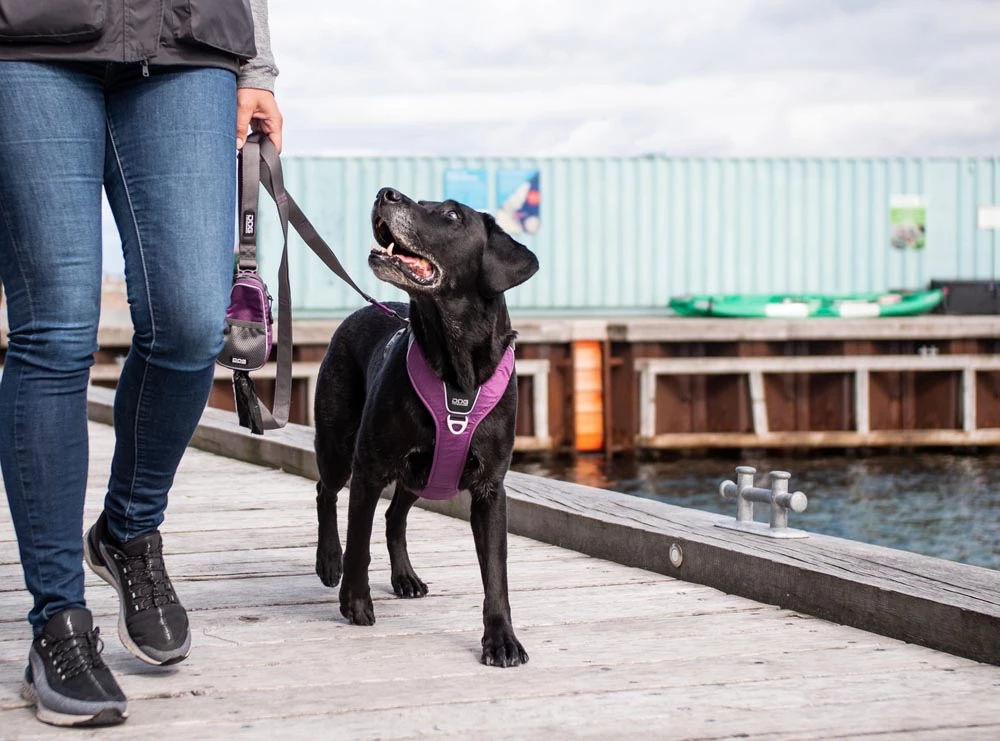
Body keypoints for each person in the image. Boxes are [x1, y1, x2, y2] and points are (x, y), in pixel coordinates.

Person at [0, 1, 283, 727]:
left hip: (187, 40)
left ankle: (127, 530)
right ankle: (58, 620)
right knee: (57, 328)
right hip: (28, 36)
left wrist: (258, 66)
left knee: (191, 321)